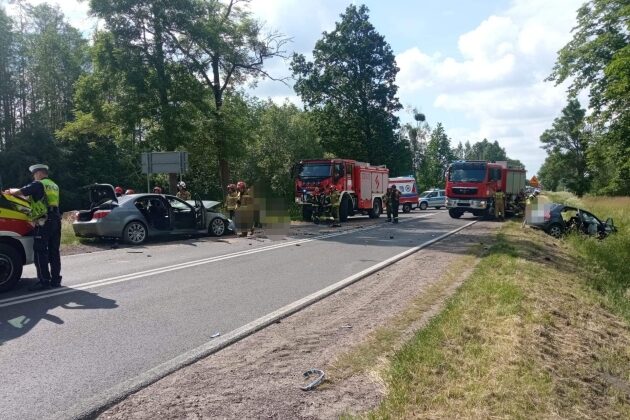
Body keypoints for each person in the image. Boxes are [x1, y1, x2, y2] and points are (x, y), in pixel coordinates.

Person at [3, 164, 62, 290]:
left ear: (39, 173)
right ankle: (56, 280)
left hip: (44, 221)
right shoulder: (54, 185)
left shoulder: (38, 184)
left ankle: (44, 281)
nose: (34, 177)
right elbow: (32, 197)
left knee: (40, 250)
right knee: (54, 251)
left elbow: (21, 191)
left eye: (34, 175)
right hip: (56, 219)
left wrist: (10, 192)